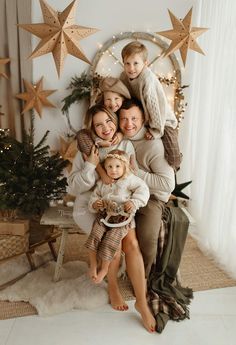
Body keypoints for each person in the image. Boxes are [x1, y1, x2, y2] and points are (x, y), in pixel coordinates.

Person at [68, 104, 157, 333]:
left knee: (132, 244)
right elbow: (75, 186)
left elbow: (133, 177)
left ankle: (142, 302)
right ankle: (113, 287)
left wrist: (128, 196)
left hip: (120, 205)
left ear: (114, 121)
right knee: (115, 243)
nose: (105, 128)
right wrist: (91, 164)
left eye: (108, 121)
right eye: (98, 124)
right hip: (91, 204)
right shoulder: (86, 150)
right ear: (92, 128)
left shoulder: (125, 143)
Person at [118, 98, 175, 277]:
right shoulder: (118, 139)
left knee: (146, 239)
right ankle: (113, 268)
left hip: (151, 198)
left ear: (143, 119)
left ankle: (143, 277)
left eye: (134, 118)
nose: (129, 124)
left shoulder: (153, 145)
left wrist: (135, 173)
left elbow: (168, 184)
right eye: (124, 119)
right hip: (125, 194)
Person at [85, 149, 149, 284]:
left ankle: (104, 268)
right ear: (105, 168)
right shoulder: (103, 183)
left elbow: (143, 190)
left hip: (122, 219)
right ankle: (93, 264)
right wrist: (95, 204)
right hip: (104, 216)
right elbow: (94, 196)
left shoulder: (129, 179)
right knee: (94, 236)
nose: (113, 170)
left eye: (118, 166)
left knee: (110, 242)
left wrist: (134, 202)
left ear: (124, 167)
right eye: (109, 166)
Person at [120, 41, 182, 170]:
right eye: (127, 63)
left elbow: (155, 107)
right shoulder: (123, 77)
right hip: (146, 119)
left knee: (173, 157)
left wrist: (155, 130)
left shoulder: (146, 79)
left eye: (136, 63)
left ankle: (175, 165)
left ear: (145, 63)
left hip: (163, 120)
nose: (131, 68)